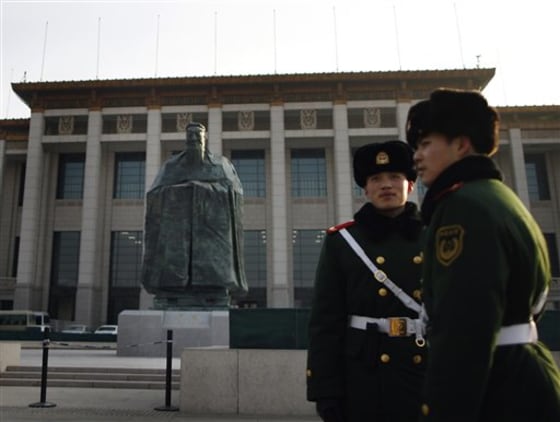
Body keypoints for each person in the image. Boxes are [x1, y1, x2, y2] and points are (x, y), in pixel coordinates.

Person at [406, 88, 560, 421]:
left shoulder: (463, 208)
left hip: (496, 388)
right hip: (524, 376)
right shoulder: (500, 197)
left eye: (425, 144)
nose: (416, 156)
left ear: (461, 145)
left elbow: (465, 326)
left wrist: (442, 411)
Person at [306, 140, 427, 422]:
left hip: (424, 371)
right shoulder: (344, 242)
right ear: (365, 189)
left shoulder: (433, 237)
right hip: (365, 374)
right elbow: (326, 322)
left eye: (395, 176)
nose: (386, 185)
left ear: (410, 184)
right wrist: (325, 389)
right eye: (376, 179)